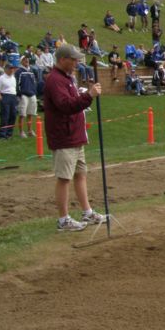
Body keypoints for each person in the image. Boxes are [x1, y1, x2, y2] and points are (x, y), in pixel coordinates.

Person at [43, 44, 106, 231]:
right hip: (64, 136)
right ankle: (63, 220)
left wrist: (85, 95)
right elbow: (65, 105)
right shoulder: (55, 80)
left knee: (80, 174)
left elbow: (72, 102)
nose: (77, 62)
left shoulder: (67, 78)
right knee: (64, 178)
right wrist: (89, 96)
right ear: (62, 59)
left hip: (75, 136)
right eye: (74, 59)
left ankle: (87, 211)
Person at [0, 62, 18, 139]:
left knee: (13, 115)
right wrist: (1, 99)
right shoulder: (1, 78)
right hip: (5, 96)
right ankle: (2, 134)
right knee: (5, 116)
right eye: (10, 69)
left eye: (12, 69)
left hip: (13, 97)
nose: (12, 70)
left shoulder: (13, 78)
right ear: (6, 69)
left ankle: (9, 133)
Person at [15, 56, 38, 138]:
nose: (26, 61)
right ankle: (21, 132)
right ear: (21, 61)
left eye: (27, 60)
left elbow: (34, 82)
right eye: (24, 60)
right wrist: (19, 94)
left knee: (30, 114)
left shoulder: (31, 71)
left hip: (32, 94)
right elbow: (17, 83)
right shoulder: (19, 71)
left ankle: (29, 131)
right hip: (23, 95)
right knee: (22, 114)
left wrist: (34, 91)